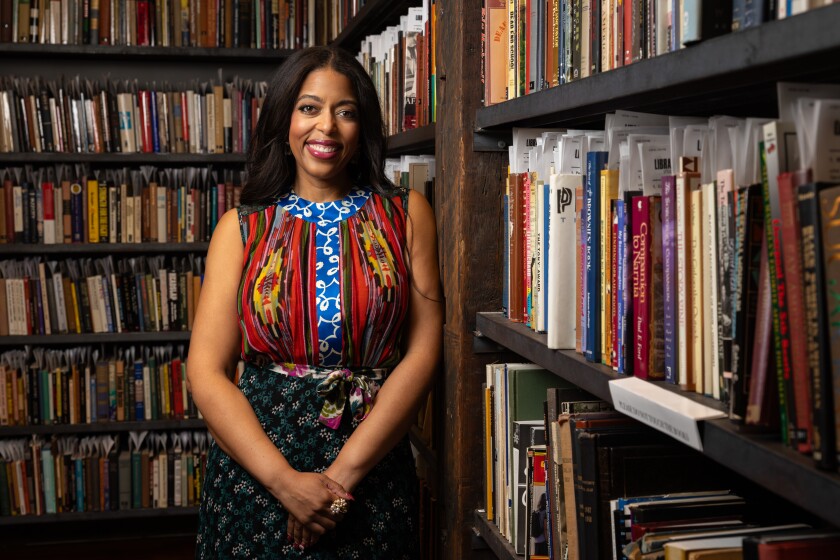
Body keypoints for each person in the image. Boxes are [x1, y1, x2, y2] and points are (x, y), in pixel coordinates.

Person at [187, 45, 443, 559]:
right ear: (285, 122)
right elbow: (206, 372)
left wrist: (341, 477)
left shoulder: (407, 214)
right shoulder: (240, 229)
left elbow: (424, 351)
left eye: (344, 112)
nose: (326, 126)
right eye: (309, 108)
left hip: (370, 466)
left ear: (361, 127)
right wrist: (285, 483)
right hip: (258, 469)